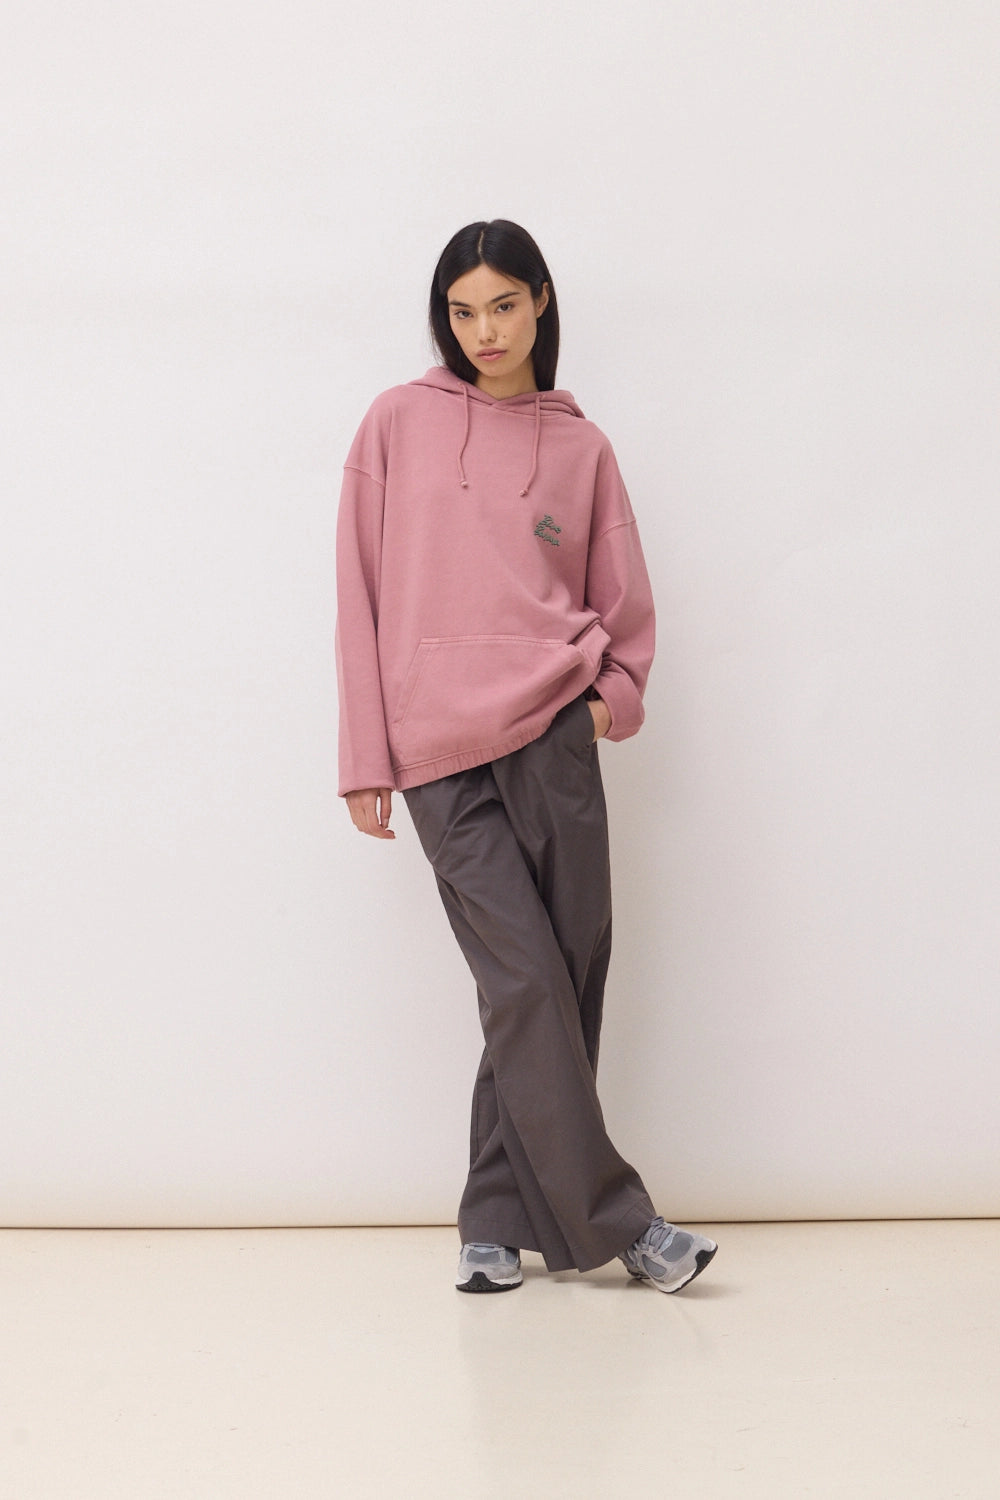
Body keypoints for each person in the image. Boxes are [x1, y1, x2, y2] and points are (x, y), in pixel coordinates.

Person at [335, 219, 717, 1295]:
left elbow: (622, 608)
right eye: (462, 312)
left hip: (553, 740)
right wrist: (365, 755)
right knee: (526, 980)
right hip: (437, 753)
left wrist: (600, 711)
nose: (484, 332)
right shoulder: (397, 422)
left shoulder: (581, 449)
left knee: (561, 981)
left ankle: (493, 1223)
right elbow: (357, 594)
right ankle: (628, 1226)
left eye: (503, 305)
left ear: (540, 301)